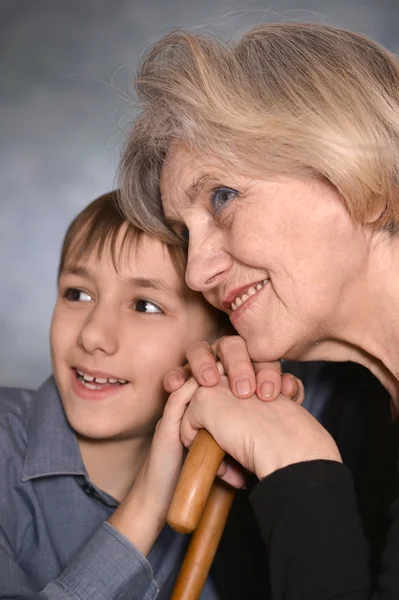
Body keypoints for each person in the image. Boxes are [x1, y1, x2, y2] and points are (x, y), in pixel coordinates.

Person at [117, 22, 399, 598]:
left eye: (222, 197)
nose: (197, 274)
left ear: (357, 174)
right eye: (184, 233)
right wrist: (259, 454)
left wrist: (298, 465)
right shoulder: (354, 413)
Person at [0, 190, 261, 600]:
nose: (92, 336)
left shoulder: (228, 477)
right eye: (77, 294)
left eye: (144, 305)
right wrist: (148, 505)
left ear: (221, 343)